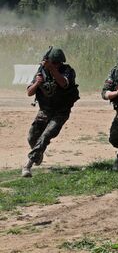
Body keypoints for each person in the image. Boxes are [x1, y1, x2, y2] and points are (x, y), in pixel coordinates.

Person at [23, 48, 79, 177]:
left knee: (45, 137)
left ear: (59, 63)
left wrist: (52, 69)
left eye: (55, 64)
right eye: (51, 64)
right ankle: (38, 154)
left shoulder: (68, 71)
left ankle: (28, 165)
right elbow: (29, 92)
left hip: (61, 112)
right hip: (45, 111)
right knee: (32, 137)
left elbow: (64, 83)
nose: (53, 66)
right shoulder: (41, 72)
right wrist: (37, 83)